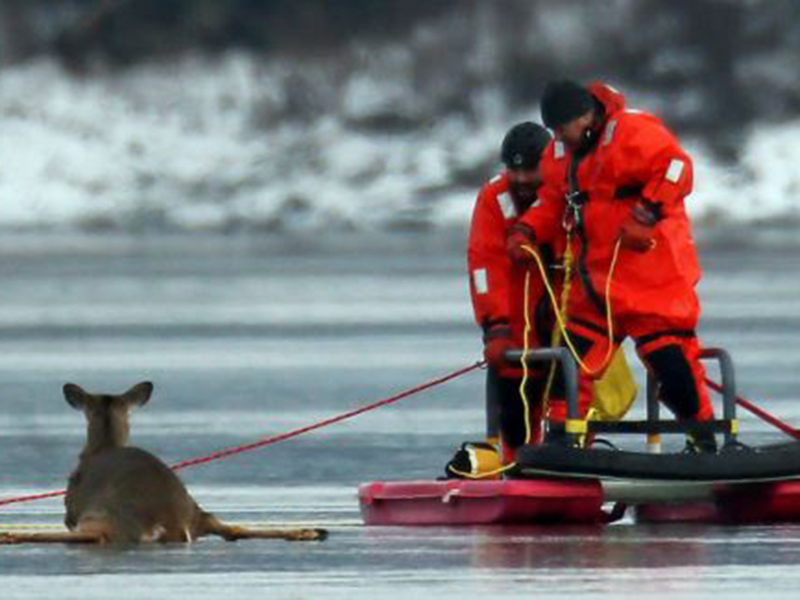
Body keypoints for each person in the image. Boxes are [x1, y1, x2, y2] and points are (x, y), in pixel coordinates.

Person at [507, 80, 717, 452]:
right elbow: (553, 201)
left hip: (649, 279)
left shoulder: (632, 132)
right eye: (554, 130)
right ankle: (560, 445)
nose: (559, 137)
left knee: (672, 366)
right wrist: (526, 228)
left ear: (585, 116)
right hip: (595, 287)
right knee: (570, 366)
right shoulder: (560, 153)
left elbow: (676, 169)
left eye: (563, 128)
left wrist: (647, 212)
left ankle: (703, 440)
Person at [464, 122, 557, 468]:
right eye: (513, 169)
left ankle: (570, 462)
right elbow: (486, 267)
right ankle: (514, 464)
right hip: (514, 331)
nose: (520, 178)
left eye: (529, 169)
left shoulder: (565, 194)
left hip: (564, 322)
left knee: (570, 402)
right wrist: (496, 327)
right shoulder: (494, 199)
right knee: (513, 412)